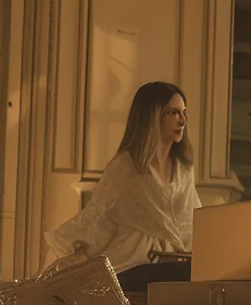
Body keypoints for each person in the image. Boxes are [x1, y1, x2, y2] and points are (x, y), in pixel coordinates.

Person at [45, 82, 200, 293]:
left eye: (183, 112)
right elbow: (98, 217)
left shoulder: (183, 170)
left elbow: (190, 223)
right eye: (172, 113)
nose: (183, 121)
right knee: (188, 274)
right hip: (127, 266)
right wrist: (79, 251)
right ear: (151, 118)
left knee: (200, 273)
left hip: (166, 263)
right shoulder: (125, 167)